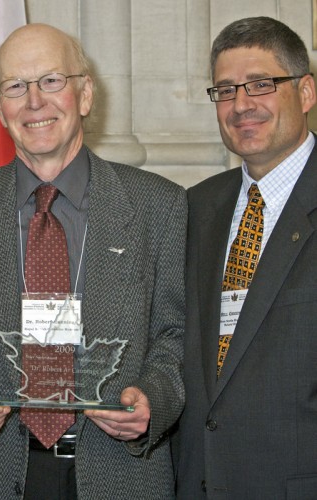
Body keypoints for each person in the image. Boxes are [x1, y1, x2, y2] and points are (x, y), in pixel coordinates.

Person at [0, 23, 186, 499]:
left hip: (121, 473)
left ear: (85, 95)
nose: (34, 101)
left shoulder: (159, 206)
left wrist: (154, 401)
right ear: (0, 108)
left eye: (50, 81)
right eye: (15, 87)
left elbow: (176, 335)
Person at [176, 16, 317, 499]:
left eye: (260, 85)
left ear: (305, 92)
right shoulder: (193, 208)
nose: (241, 106)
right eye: (225, 90)